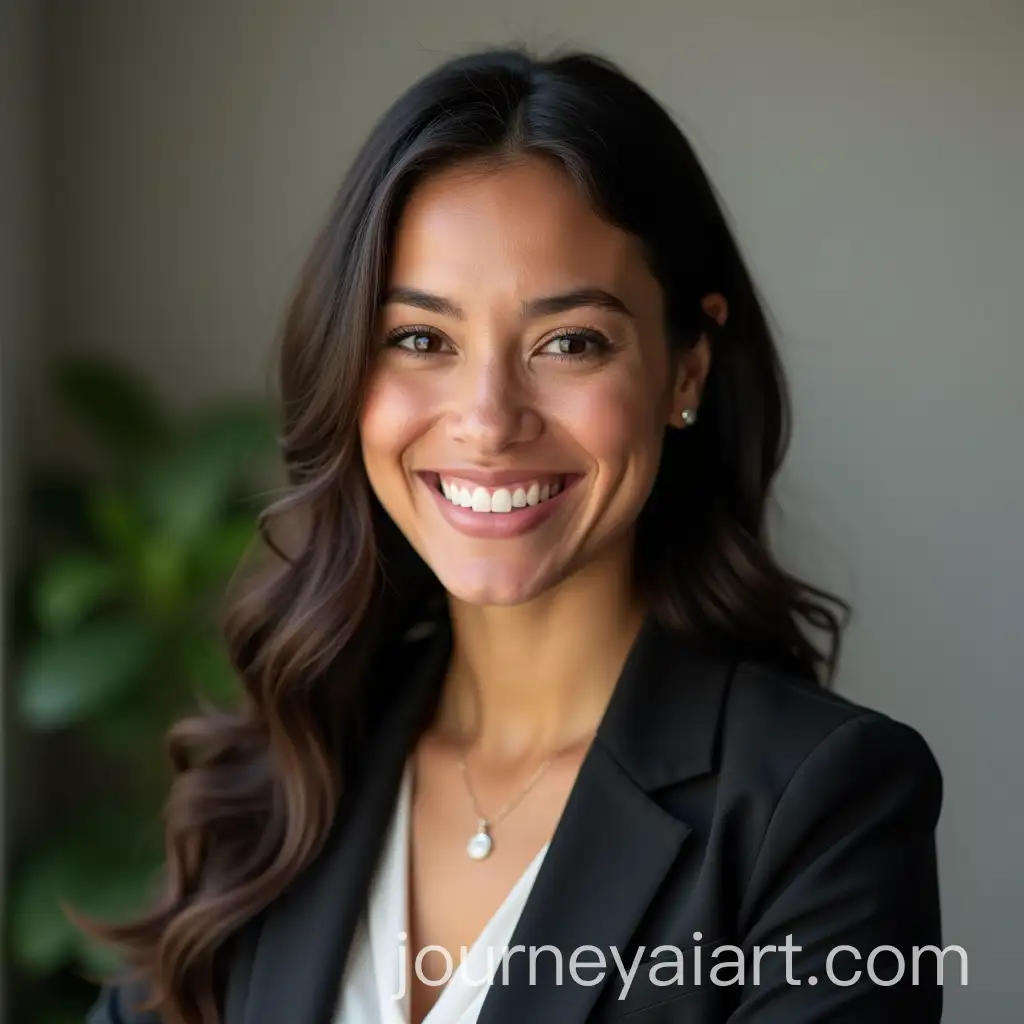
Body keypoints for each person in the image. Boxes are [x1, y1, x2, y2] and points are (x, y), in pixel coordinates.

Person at [84, 47, 944, 1024]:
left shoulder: (822, 805)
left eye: (569, 343)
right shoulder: (285, 764)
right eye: (421, 339)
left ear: (686, 368)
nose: (488, 421)